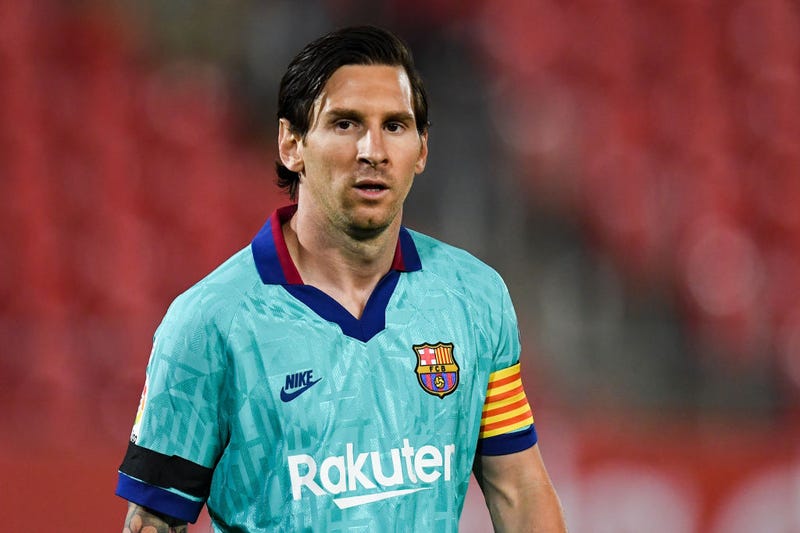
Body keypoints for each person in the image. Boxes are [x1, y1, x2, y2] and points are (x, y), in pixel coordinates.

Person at [117, 25, 567, 532]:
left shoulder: (473, 298)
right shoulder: (210, 323)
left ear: (421, 149)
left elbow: (519, 492)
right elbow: (154, 522)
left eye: (395, 126)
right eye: (346, 123)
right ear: (292, 144)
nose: (372, 149)